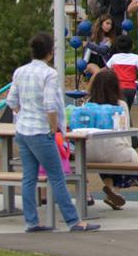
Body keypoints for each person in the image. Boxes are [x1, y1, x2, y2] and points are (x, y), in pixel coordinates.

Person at [7, 32, 98, 231]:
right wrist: (53, 126)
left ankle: (31, 221)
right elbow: (50, 105)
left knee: (29, 177)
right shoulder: (49, 74)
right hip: (41, 131)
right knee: (57, 176)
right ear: (50, 53)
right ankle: (73, 220)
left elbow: (12, 101)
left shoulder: (20, 72)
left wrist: (24, 113)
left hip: (23, 130)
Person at [81, 70, 138, 210]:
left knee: (103, 154)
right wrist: (128, 147)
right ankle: (114, 190)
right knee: (127, 156)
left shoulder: (88, 104)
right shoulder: (120, 105)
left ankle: (109, 186)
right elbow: (124, 129)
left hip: (88, 152)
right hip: (113, 151)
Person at [105, 42, 138, 109]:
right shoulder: (135, 57)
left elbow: (106, 70)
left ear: (117, 47)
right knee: (127, 110)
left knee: (120, 111)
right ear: (131, 47)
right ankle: (127, 118)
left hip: (118, 88)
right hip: (131, 89)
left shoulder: (114, 57)